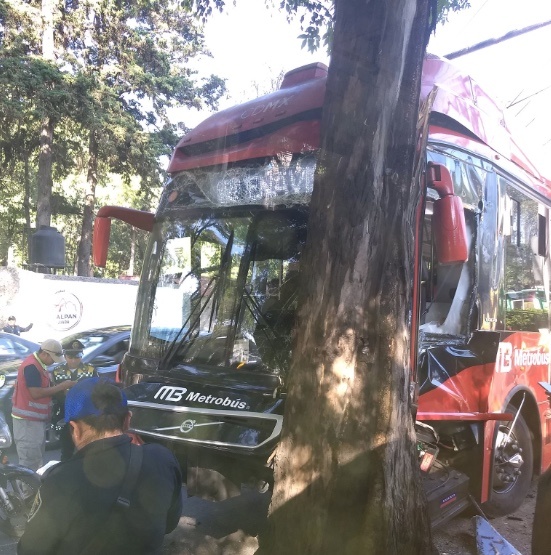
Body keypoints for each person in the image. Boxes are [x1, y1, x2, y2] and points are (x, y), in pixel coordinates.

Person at [17, 377, 183, 555]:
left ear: (75, 429)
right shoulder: (163, 459)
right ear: (127, 420)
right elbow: (170, 522)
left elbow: (29, 550)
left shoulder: (60, 480)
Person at [11, 339, 75, 471]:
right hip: (27, 423)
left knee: (36, 460)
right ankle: (26, 491)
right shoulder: (32, 367)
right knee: (29, 462)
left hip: (34, 422)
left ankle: (33, 490)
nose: (54, 362)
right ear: (45, 354)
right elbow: (36, 393)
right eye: (53, 358)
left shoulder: (40, 365)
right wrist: (61, 387)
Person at [51, 340, 97, 461]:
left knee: (87, 451)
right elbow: (53, 393)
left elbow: (97, 391)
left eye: (77, 357)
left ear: (81, 355)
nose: (73, 360)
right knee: (66, 451)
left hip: (85, 416)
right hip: (66, 416)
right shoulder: (57, 371)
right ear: (65, 356)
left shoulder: (91, 370)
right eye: (70, 357)